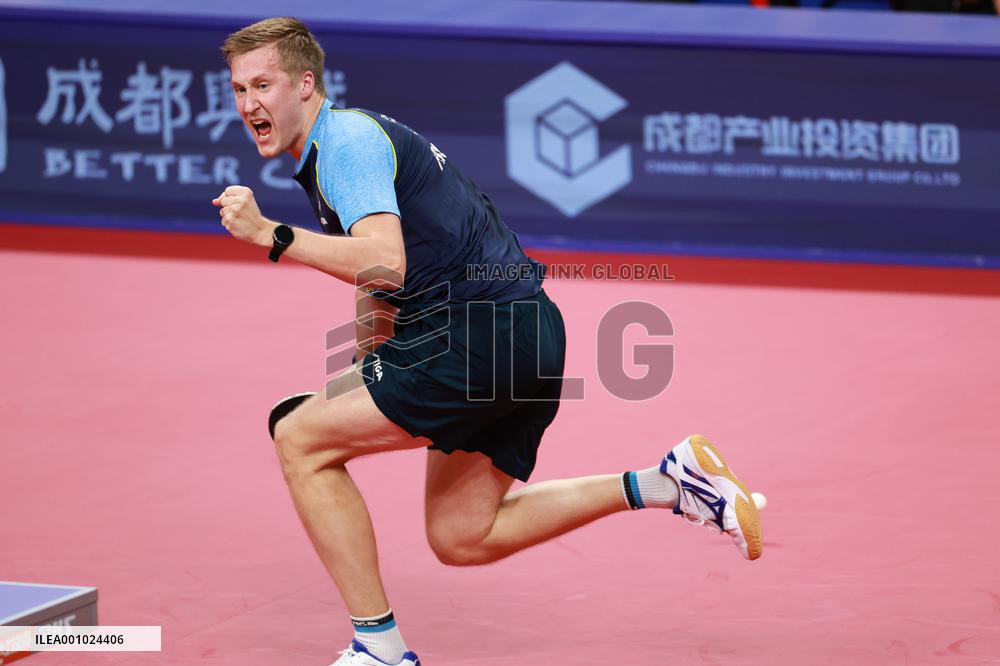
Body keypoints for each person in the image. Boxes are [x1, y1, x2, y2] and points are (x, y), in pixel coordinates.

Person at [213, 17, 763, 666]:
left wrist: (271, 238)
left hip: (474, 338)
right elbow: (385, 277)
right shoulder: (338, 150)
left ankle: (380, 650)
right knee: (461, 535)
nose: (249, 104)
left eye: (264, 85)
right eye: (239, 89)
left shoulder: (346, 144)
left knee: (298, 437)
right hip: (526, 332)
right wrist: (367, 363)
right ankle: (671, 482)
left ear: (306, 84)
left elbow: (382, 260)